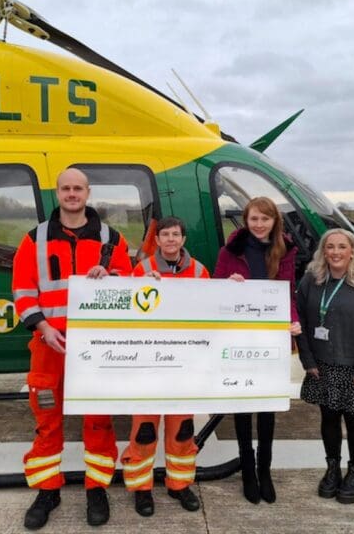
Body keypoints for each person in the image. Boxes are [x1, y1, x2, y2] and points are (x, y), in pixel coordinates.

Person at [12, 168, 132, 530]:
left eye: (78, 188)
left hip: (97, 347)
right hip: (50, 343)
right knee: (47, 419)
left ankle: (97, 487)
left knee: (98, 419)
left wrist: (110, 277)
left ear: (87, 192)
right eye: (66, 188)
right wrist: (43, 326)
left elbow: (129, 282)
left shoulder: (112, 239)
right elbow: (21, 289)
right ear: (58, 193)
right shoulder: (34, 239)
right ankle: (48, 489)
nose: (72, 194)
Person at [213, 196, 302, 504]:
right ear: (246, 220)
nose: (260, 224)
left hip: (270, 337)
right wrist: (228, 283)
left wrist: (293, 321)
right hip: (238, 336)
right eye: (254, 219)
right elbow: (215, 288)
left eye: (265, 219)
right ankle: (247, 468)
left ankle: (265, 469)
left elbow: (287, 293)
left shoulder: (286, 250)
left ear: (274, 221)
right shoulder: (230, 251)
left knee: (267, 405)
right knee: (241, 404)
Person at [121, 216, 209, 517]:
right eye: (165, 235)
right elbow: (127, 314)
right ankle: (141, 490)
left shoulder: (199, 271)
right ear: (156, 240)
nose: (171, 239)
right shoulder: (142, 270)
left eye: (176, 234)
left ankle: (179, 485)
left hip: (183, 367)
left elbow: (212, 311)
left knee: (182, 431)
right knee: (144, 431)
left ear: (183, 239)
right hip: (149, 365)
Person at [296, 229, 354, 504]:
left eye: (342, 247)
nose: (335, 252)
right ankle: (333, 468)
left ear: (352, 251)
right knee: (329, 419)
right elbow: (298, 321)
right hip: (322, 365)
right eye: (330, 247)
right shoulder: (311, 280)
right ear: (323, 251)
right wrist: (308, 360)